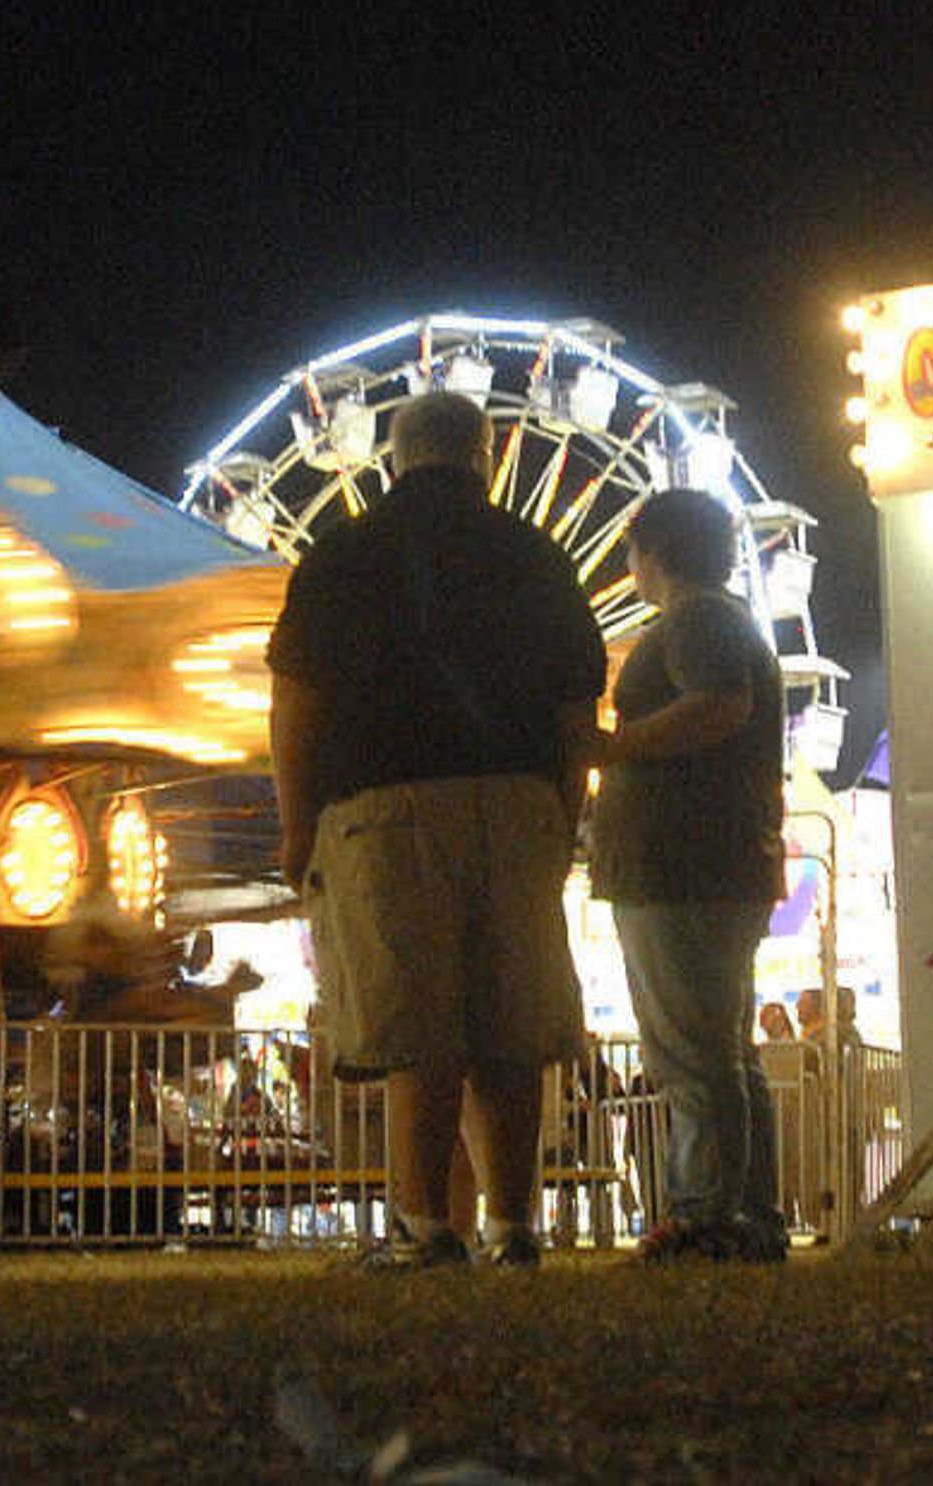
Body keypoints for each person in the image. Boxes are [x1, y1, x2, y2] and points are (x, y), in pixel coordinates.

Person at [266, 388, 604, 1271]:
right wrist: (561, 814)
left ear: (390, 458)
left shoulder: (342, 557)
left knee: (420, 1026)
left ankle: (425, 1229)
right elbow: (576, 708)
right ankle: (515, 1224)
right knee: (511, 1029)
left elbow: (295, 703)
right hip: (518, 798)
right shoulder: (538, 556)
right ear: (487, 458)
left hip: (386, 807)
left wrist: (296, 821)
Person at [592, 490, 789, 1265]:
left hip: (679, 868)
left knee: (690, 1055)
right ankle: (749, 1214)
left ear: (657, 553)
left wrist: (615, 746)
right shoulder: (726, 620)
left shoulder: (697, 622)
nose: (629, 566)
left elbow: (720, 706)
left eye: (633, 550)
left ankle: (704, 1217)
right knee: (725, 1050)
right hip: (716, 863)